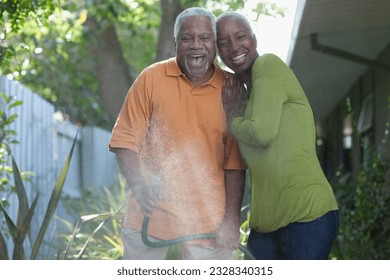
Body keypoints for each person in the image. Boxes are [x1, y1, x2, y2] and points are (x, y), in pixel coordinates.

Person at [109, 7, 246, 260]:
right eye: (187, 38)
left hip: (208, 224)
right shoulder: (150, 79)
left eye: (205, 38)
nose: (196, 46)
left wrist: (231, 220)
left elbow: (235, 162)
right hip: (148, 219)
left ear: (215, 45)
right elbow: (124, 142)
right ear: (175, 44)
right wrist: (139, 187)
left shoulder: (232, 88)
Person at [216, 11, 339, 260]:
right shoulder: (246, 100)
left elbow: (262, 133)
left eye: (240, 36)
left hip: (307, 216)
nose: (234, 46)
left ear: (254, 39)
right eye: (224, 42)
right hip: (265, 228)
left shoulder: (268, 65)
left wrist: (232, 119)